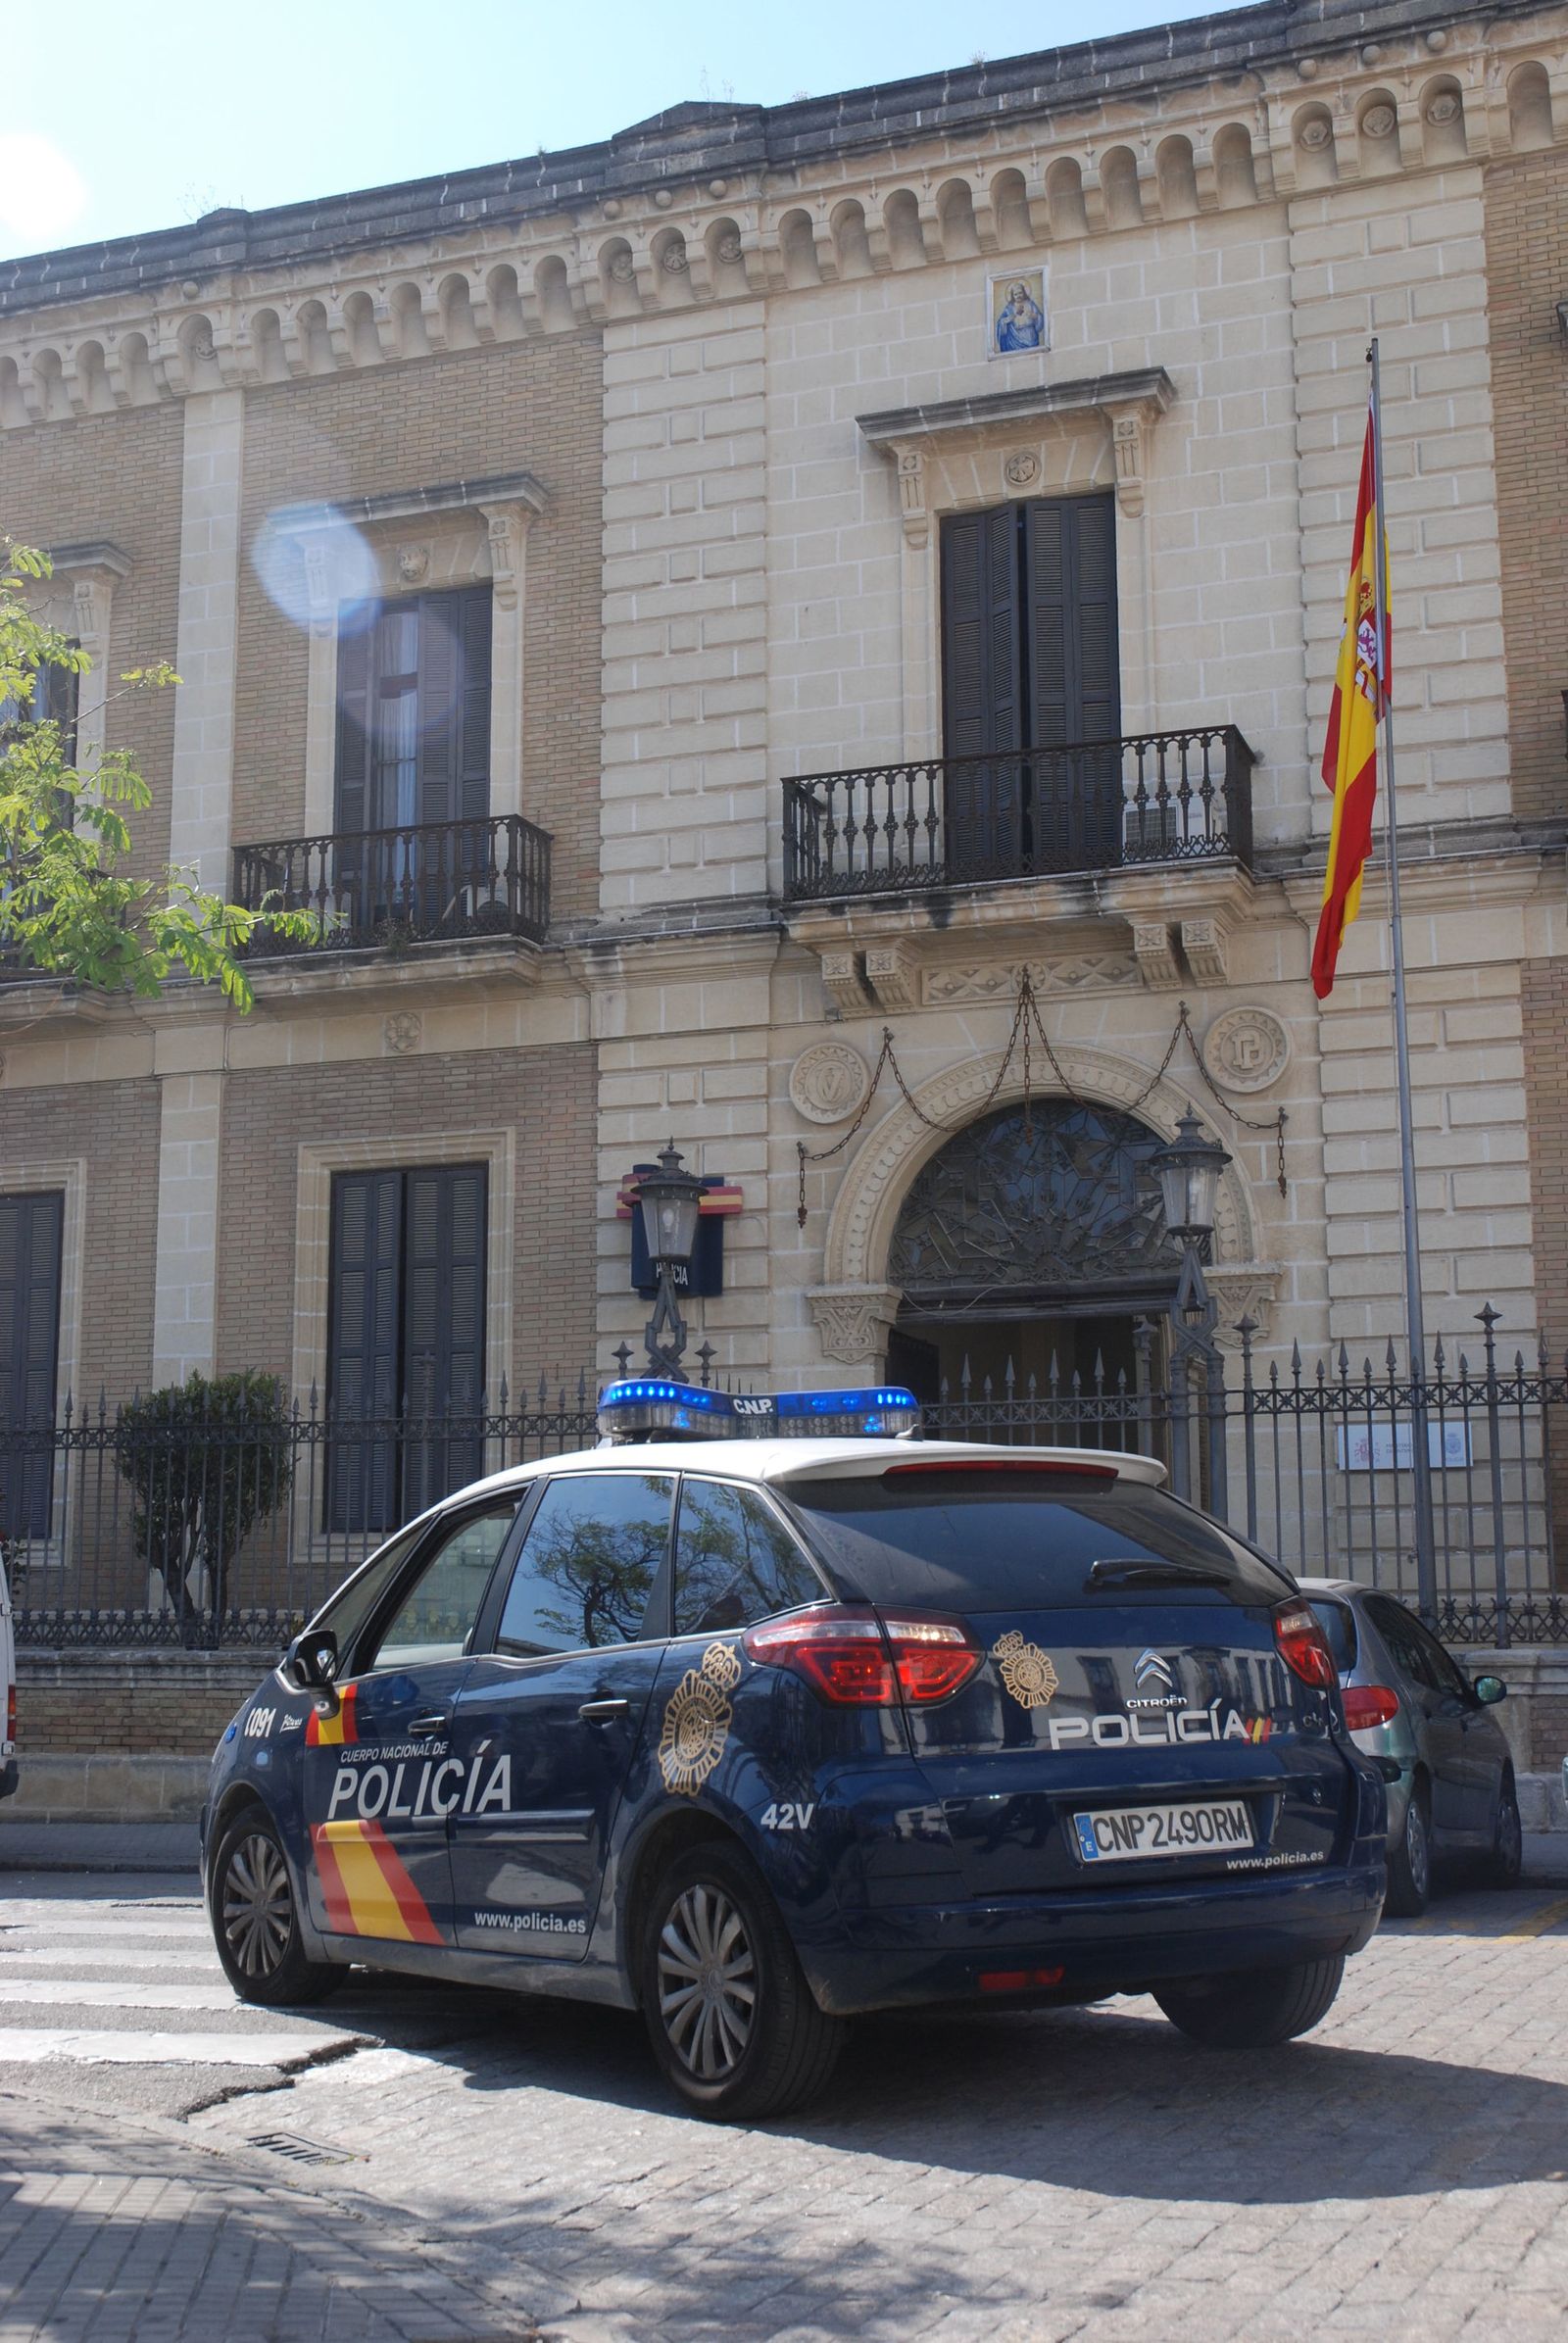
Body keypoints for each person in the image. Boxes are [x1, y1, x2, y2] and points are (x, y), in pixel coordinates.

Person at [996, 279, 1046, 352]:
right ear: (1012, 296)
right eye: (1016, 294)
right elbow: (1001, 322)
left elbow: (1040, 317)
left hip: (1031, 336)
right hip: (1014, 340)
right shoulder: (1009, 308)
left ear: (1024, 293)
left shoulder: (1030, 304)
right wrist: (1011, 317)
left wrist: (1035, 316)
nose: (1018, 296)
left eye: (1020, 293)